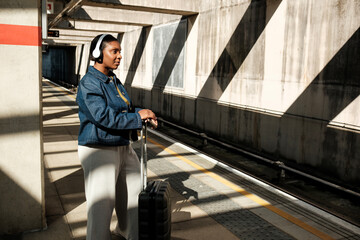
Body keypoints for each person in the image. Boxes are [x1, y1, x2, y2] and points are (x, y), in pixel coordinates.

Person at [76, 34, 157, 240]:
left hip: (121, 145)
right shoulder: (89, 83)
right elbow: (103, 117)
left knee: (133, 195)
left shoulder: (113, 80)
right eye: (115, 51)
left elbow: (125, 109)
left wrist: (142, 112)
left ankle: (127, 232)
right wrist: (137, 118)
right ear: (98, 54)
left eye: (120, 51)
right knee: (102, 205)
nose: (120, 56)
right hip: (98, 148)